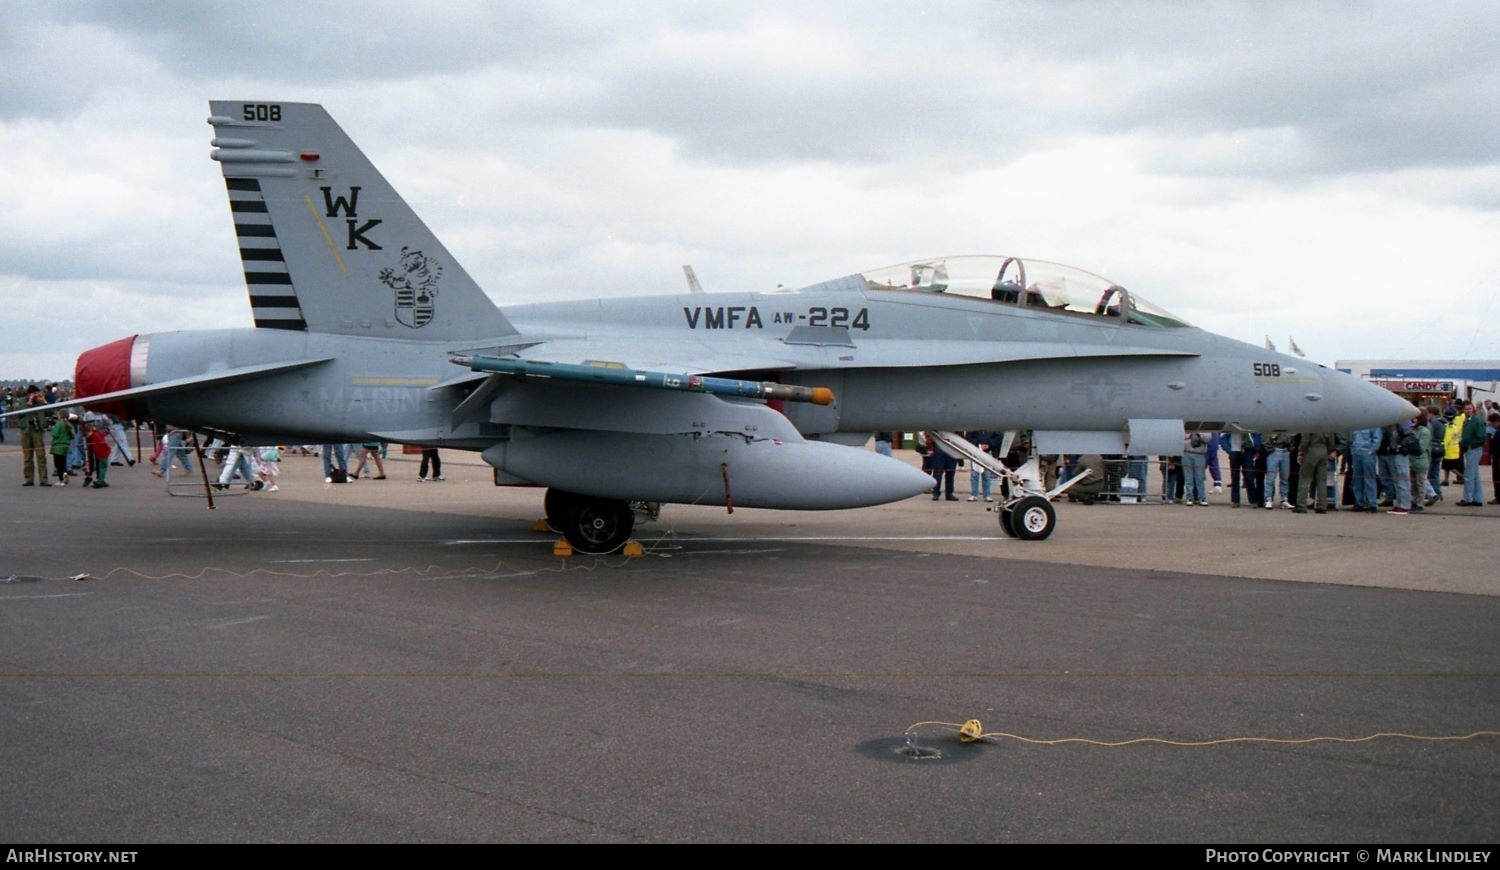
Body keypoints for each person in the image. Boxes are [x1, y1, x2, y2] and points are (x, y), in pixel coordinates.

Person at [1295, 431, 1336, 513]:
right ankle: (1322, 505)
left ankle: (1301, 505)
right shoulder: (1327, 425)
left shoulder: (1311, 423)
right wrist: (1330, 450)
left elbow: (1305, 440)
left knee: (1304, 479)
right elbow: (1331, 441)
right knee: (1322, 481)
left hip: (1311, 450)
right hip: (1323, 451)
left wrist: (1301, 451)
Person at [19, 385, 51, 486]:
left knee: (41, 456)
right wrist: (29, 402)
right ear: (30, 393)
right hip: (26, 430)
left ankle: (43, 479)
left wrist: (44, 401)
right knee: (27, 457)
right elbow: (18, 413)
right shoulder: (22, 401)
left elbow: (50, 412)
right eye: (35, 393)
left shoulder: (40, 402)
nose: (36, 395)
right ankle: (29, 479)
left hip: (37, 430)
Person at [1458, 401, 1487, 506]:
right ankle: (1477, 498)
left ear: (1473, 409)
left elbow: (1482, 436)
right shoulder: (1468, 420)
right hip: (1471, 448)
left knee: (1469, 474)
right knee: (1475, 475)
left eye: (1470, 408)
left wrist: (1470, 443)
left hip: (1474, 448)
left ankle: (1468, 498)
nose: (1468, 410)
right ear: (1463, 410)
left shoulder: (1476, 421)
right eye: (1466, 409)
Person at [1348, 426, 1379, 512]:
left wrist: (1372, 450)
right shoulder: (1356, 424)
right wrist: (1352, 450)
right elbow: (1351, 439)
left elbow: (1376, 439)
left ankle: (1372, 504)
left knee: (1369, 479)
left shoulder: (1373, 424)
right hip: (1356, 453)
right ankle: (1359, 503)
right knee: (1356, 480)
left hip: (1367, 453)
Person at [1262, 432, 1293, 509]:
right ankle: (1268, 498)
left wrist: (1290, 448)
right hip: (1275, 450)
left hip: (1285, 451)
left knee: (1285, 477)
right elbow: (1265, 436)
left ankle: (1284, 499)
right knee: (1271, 477)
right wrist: (1271, 449)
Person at [1182, 430, 1208, 505]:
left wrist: (1199, 434)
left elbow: (1208, 439)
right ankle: (1189, 497)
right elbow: (1178, 438)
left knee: (1200, 477)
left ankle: (1202, 498)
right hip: (1186, 453)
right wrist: (1188, 435)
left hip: (1199, 454)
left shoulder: (1205, 427)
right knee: (1188, 478)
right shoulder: (1186, 427)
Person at [49, 413, 76, 486]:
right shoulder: (69, 424)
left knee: (58, 464)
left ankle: (61, 480)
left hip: (58, 445)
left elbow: (55, 434)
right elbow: (72, 436)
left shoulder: (59, 424)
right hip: (65, 445)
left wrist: (52, 428)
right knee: (63, 463)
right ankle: (65, 476)